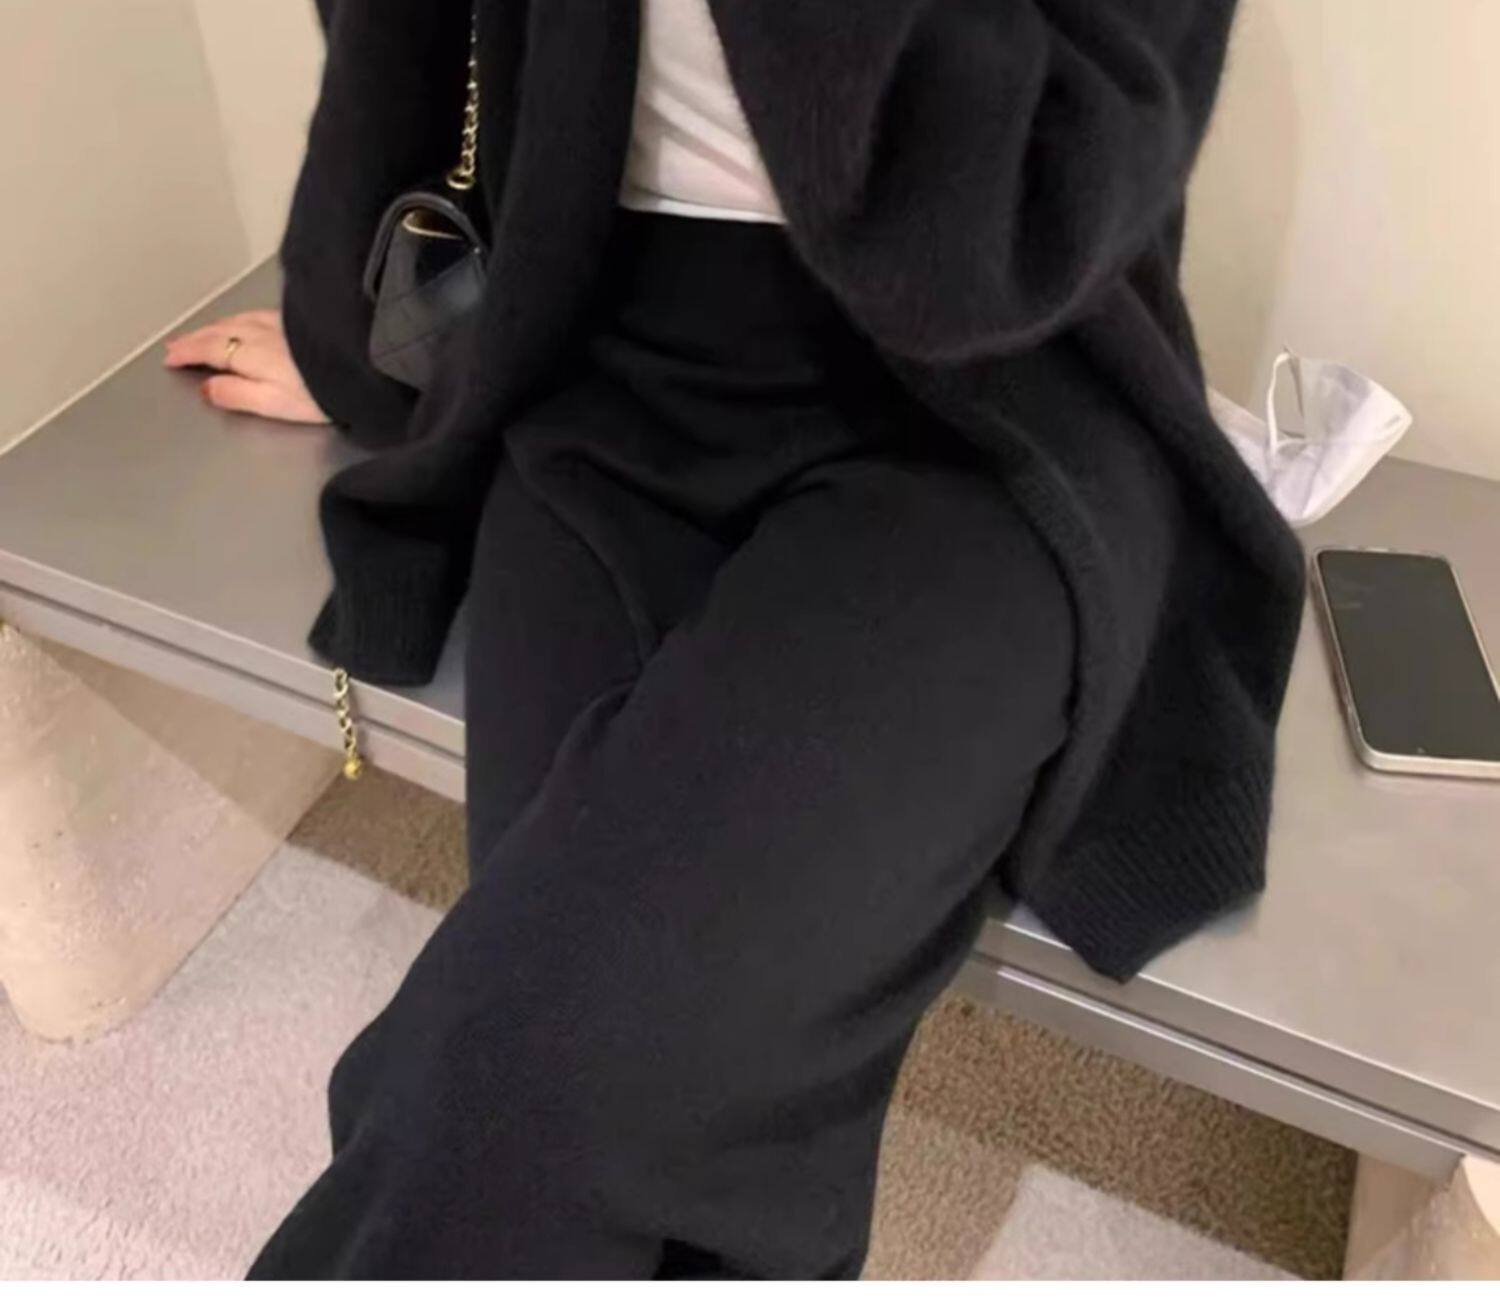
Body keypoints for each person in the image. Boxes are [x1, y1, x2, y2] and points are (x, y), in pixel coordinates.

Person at [166, 0, 1304, 1280]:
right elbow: (406, 43)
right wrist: (359, 341)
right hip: (599, 377)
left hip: (984, 419)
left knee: (521, 1079)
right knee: (588, 1076)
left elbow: (993, 243)